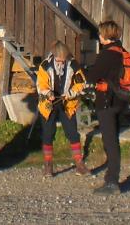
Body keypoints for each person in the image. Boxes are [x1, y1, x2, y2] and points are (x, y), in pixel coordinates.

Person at [83, 20, 128, 195]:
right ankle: (112, 177)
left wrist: (84, 71)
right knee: (113, 139)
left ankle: (112, 181)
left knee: (109, 141)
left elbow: (92, 77)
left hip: (107, 101)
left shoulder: (106, 54)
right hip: (120, 101)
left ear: (104, 35)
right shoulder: (122, 52)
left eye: (100, 34)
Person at [36, 41, 89, 177]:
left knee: (73, 133)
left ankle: (79, 164)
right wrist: (48, 93)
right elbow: (41, 84)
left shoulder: (74, 65)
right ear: (53, 55)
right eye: (58, 59)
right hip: (48, 103)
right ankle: (48, 166)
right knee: (48, 134)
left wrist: (71, 93)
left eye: (63, 59)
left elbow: (80, 82)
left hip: (67, 103)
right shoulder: (45, 66)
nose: (61, 61)